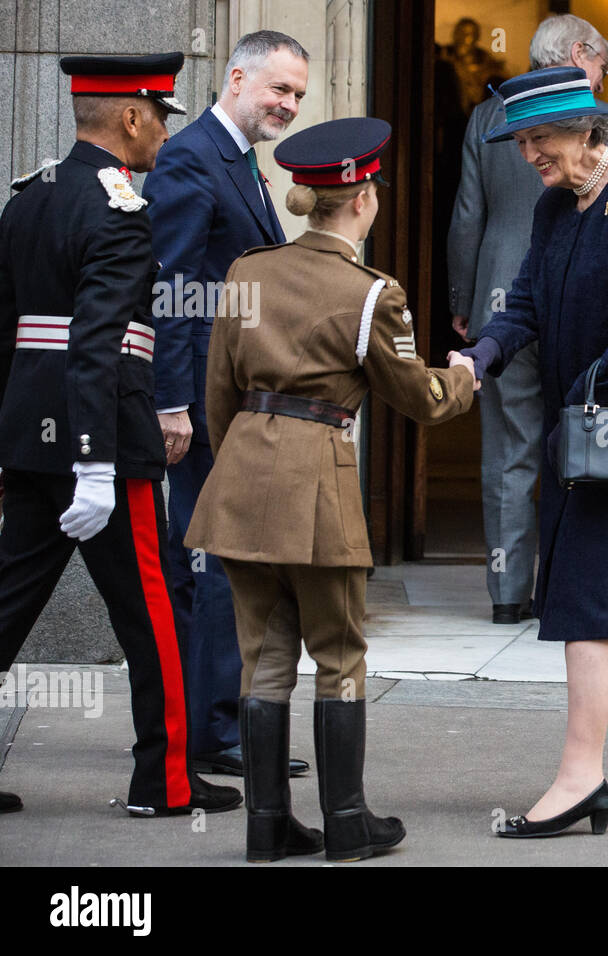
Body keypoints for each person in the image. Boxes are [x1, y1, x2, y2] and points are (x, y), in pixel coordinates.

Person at [185, 117, 478, 862]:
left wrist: (242, 466)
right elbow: (418, 398)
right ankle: (347, 821)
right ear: (363, 199)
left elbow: (218, 395)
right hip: (317, 486)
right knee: (340, 656)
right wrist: (465, 380)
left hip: (241, 482)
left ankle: (266, 826)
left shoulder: (246, 272)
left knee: (265, 659)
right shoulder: (371, 293)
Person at [454, 66, 608, 837]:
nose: (529, 155)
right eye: (521, 142)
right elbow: (522, 299)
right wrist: (480, 356)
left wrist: (583, 400)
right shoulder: (559, 207)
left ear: (589, 131)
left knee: (591, 597)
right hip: (589, 428)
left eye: (539, 139)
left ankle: (579, 775)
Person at [0, 53, 241, 818]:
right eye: (161, 117)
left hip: (28, 442)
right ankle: (163, 783)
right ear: (131, 118)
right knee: (155, 619)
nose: (166, 135)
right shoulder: (118, 210)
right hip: (101, 445)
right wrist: (95, 466)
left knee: (7, 605)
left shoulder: (27, 198)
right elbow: (98, 344)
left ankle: (165, 776)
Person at [142, 30, 311, 778]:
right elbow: (169, 291)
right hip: (203, 403)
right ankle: (211, 729)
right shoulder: (189, 156)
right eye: (279, 89)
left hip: (236, 398)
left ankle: (223, 718)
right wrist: (171, 402)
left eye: (298, 96)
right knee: (211, 561)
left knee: (227, 560)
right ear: (237, 76)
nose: (289, 105)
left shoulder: (240, 161)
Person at [448, 14, 608, 626]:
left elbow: (468, 215)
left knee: (508, 450)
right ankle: (571, 586)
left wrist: (463, 297)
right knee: (581, 437)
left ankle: (507, 594)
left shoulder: (485, 115)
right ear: (579, 53)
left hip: (500, 298)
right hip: (579, 299)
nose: (604, 82)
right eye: (603, 65)